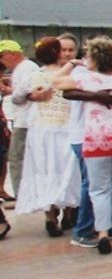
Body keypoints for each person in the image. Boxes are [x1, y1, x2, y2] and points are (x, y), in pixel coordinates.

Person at [54, 37, 112, 255]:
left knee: (99, 189)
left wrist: (72, 64)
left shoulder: (86, 80)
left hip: (96, 139)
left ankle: (102, 233)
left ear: (93, 58)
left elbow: (56, 82)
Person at [14, 38, 80, 236]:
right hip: (43, 131)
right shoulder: (37, 75)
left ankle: (69, 212)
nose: (67, 54)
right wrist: (30, 96)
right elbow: (17, 97)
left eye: (70, 50)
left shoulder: (78, 74)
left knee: (69, 170)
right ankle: (50, 215)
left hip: (68, 129)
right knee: (47, 170)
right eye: (63, 50)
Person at [0, 40, 40, 200]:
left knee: (16, 158)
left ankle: (22, 196)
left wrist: (10, 90)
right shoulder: (23, 69)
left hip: (25, 121)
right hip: (23, 119)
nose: (2, 62)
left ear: (11, 54)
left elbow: (26, 93)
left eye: (2, 57)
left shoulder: (28, 68)